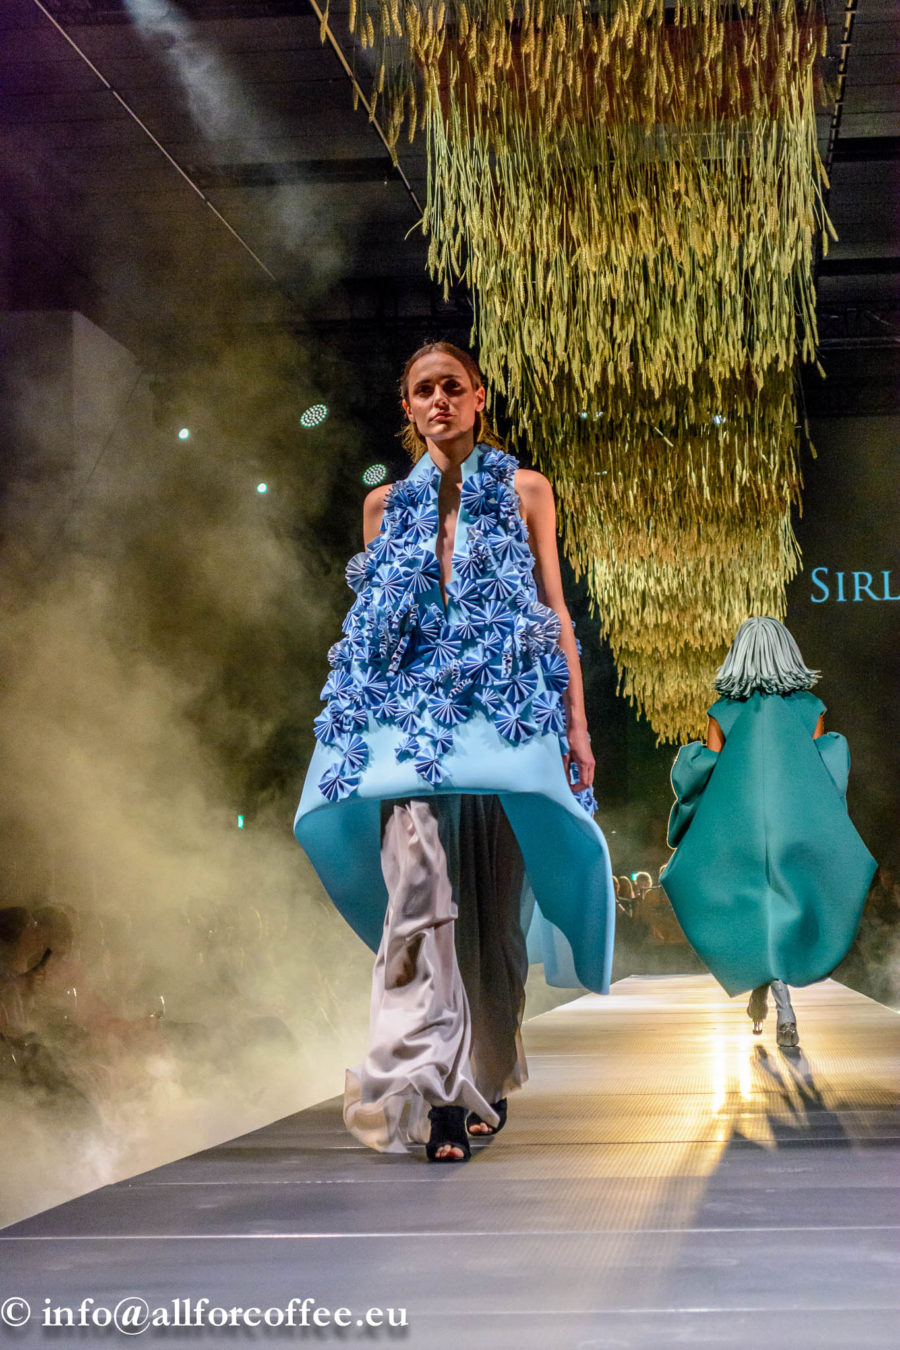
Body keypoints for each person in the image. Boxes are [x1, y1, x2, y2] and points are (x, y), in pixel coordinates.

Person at [294, 342, 615, 1161]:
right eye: (423, 390)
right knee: (419, 903)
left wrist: (576, 724)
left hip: (502, 724)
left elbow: (554, 609)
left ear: (478, 397)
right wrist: (347, 731)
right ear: (407, 407)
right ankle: (439, 1098)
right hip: (410, 729)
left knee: (495, 915)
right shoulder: (382, 506)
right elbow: (369, 628)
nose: (439, 400)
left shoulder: (526, 490)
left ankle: (488, 1072)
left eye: (452, 386)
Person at [660, 616, 876, 1048]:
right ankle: (777, 998)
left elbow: (704, 773)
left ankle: (769, 993)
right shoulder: (809, 707)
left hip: (737, 828)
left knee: (752, 910)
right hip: (795, 826)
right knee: (782, 909)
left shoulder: (724, 710)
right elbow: (826, 773)